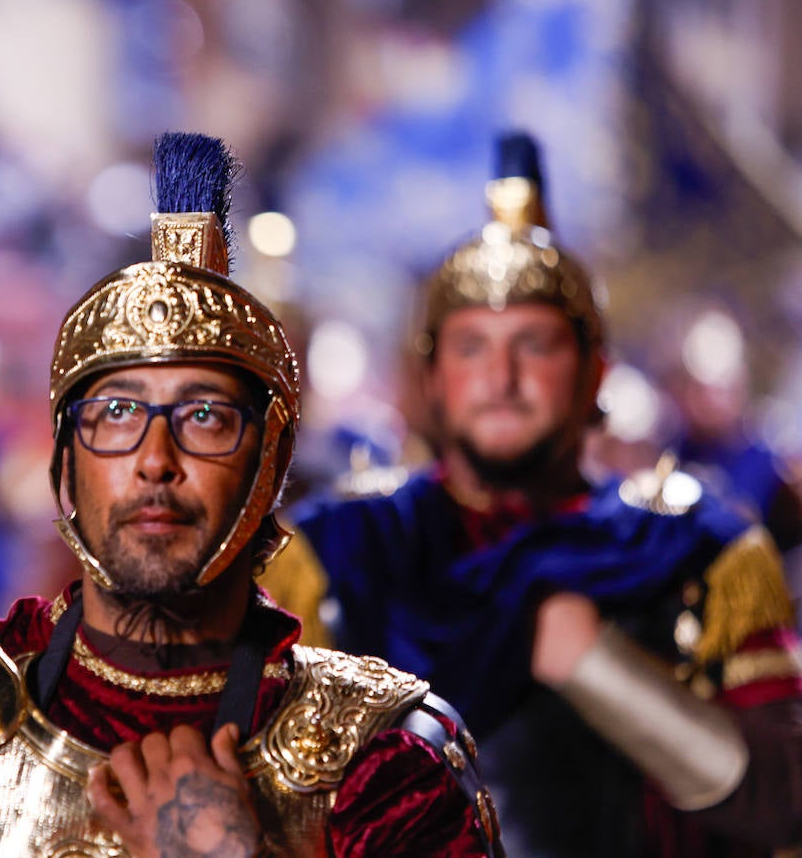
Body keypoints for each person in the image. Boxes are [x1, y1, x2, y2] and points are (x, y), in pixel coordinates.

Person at [0, 133, 502, 856]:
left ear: (271, 463)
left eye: (204, 417)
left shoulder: (387, 768)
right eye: (116, 415)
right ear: (64, 460)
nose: (154, 461)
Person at [280, 132, 802, 856]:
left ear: (594, 372)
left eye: (535, 344)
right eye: (471, 347)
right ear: (429, 378)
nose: (502, 377)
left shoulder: (698, 548)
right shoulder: (336, 550)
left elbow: (782, 805)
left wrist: (600, 665)